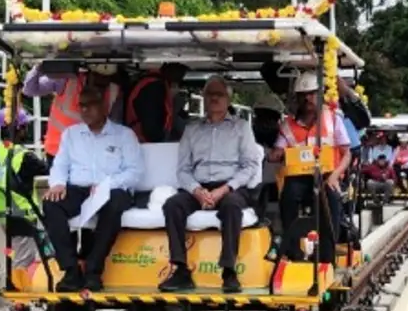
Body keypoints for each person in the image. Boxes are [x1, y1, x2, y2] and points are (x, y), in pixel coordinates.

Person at [157, 77, 258, 293]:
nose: (214, 98)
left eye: (219, 94)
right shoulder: (192, 129)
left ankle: (229, 271)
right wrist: (196, 190)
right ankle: (181, 269)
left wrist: (224, 189)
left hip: (230, 186)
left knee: (231, 206)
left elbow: (249, 166)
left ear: (228, 99)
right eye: (210, 94)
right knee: (172, 205)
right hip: (199, 186)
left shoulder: (241, 128)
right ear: (203, 98)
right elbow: (183, 169)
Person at [42, 86, 144, 292]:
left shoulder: (124, 135)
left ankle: (93, 270)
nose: (85, 110)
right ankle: (71, 270)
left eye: (91, 105)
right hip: (79, 189)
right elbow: (60, 165)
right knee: (51, 204)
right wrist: (58, 184)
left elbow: (135, 172)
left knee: (116, 202)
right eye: (82, 105)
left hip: (111, 189)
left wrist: (106, 186)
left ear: (104, 107)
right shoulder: (71, 134)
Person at [272, 71, 352, 263]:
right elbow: (277, 151)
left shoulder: (333, 119)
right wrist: (275, 154)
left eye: (312, 93)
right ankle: (293, 252)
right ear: (297, 98)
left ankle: (326, 256)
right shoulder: (287, 125)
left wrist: (335, 176)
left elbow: (347, 153)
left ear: (320, 95)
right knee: (287, 198)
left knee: (330, 199)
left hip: (327, 175)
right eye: (303, 95)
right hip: (298, 177)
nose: (308, 98)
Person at [0, 107, 49, 311]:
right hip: (23, 214)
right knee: (24, 260)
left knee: (18, 257)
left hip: (5, 214)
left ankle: (25, 301)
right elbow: (46, 168)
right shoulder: (24, 156)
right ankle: (17, 309)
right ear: (20, 128)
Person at [24, 64, 124, 164]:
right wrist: (39, 69)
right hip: (58, 151)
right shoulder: (66, 80)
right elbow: (30, 89)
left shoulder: (114, 90)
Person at [124, 64, 187, 144]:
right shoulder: (154, 88)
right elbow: (152, 129)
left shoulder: (153, 85)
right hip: (145, 143)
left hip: (144, 141)